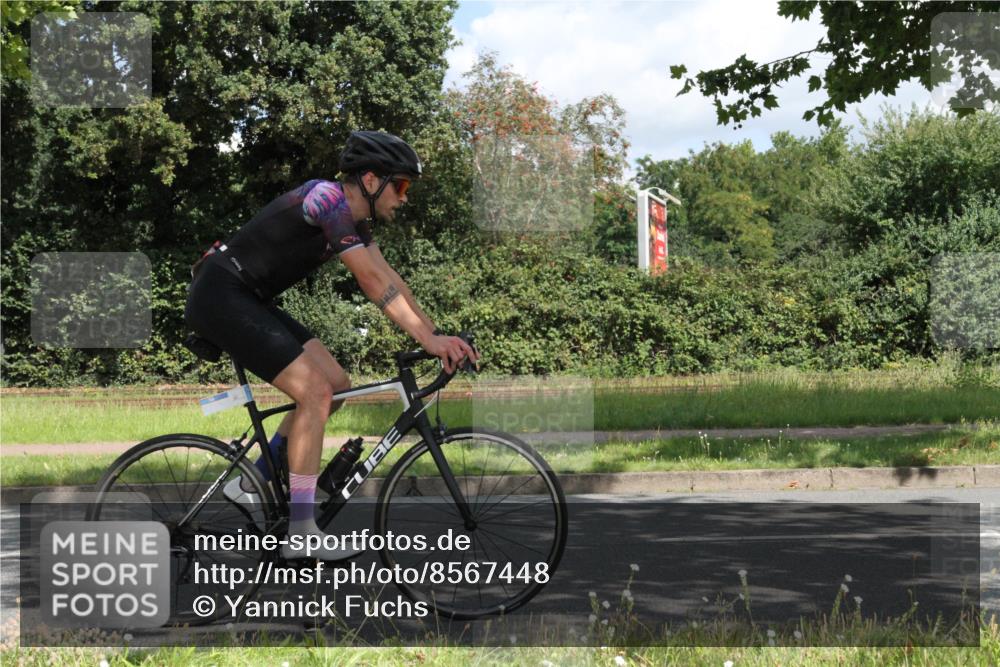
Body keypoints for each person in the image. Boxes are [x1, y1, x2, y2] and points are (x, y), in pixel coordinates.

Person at [184, 131, 478, 560]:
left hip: (247, 297)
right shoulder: (327, 200)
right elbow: (370, 281)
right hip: (221, 295)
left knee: (337, 384)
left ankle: (252, 481)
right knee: (315, 392)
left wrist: (437, 335)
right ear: (372, 180)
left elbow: (390, 278)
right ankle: (301, 532)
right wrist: (429, 340)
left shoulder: (354, 220)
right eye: (401, 185)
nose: (404, 197)